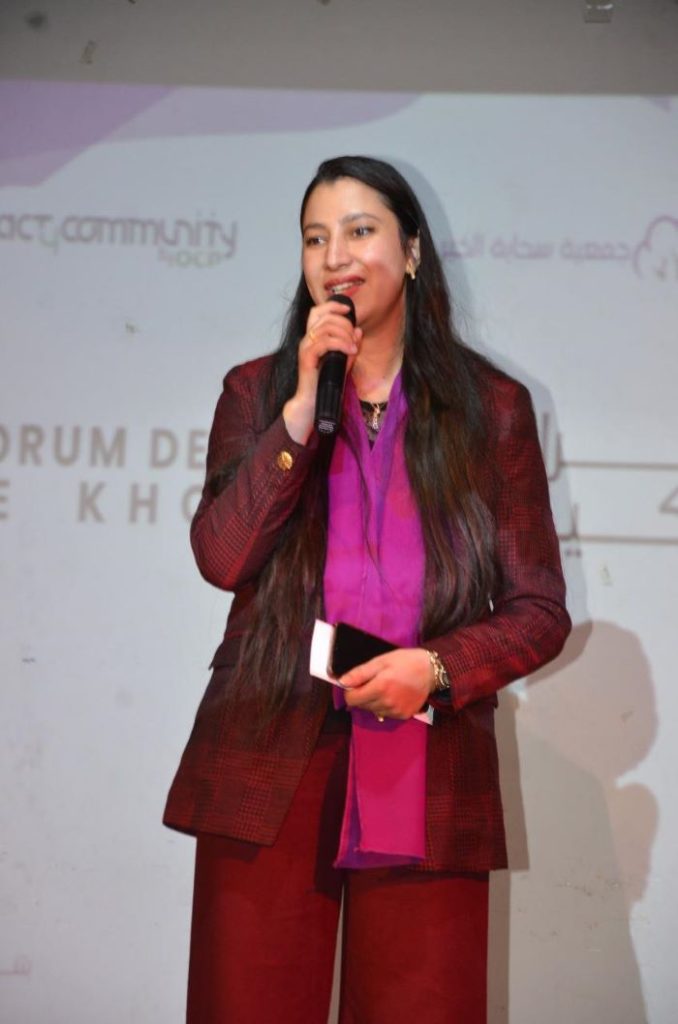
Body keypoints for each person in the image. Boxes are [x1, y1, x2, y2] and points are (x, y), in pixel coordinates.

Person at [163, 155, 571, 1024]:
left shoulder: (491, 407)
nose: (336, 256)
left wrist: (437, 668)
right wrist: (298, 413)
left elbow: (538, 610)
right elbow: (222, 558)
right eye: (316, 238)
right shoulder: (257, 392)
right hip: (271, 747)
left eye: (359, 231)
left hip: (429, 754)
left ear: (413, 251)